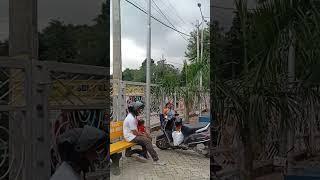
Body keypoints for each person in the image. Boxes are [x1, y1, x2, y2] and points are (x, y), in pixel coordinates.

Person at [123, 101, 166, 165]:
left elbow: (137, 129)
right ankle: (156, 160)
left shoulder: (132, 116)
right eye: (139, 109)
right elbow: (135, 133)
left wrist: (144, 133)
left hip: (132, 135)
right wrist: (143, 134)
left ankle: (143, 154)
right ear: (135, 109)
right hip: (130, 137)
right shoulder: (131, 118)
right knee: (147, 141)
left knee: (149, 138)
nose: (140, 111)